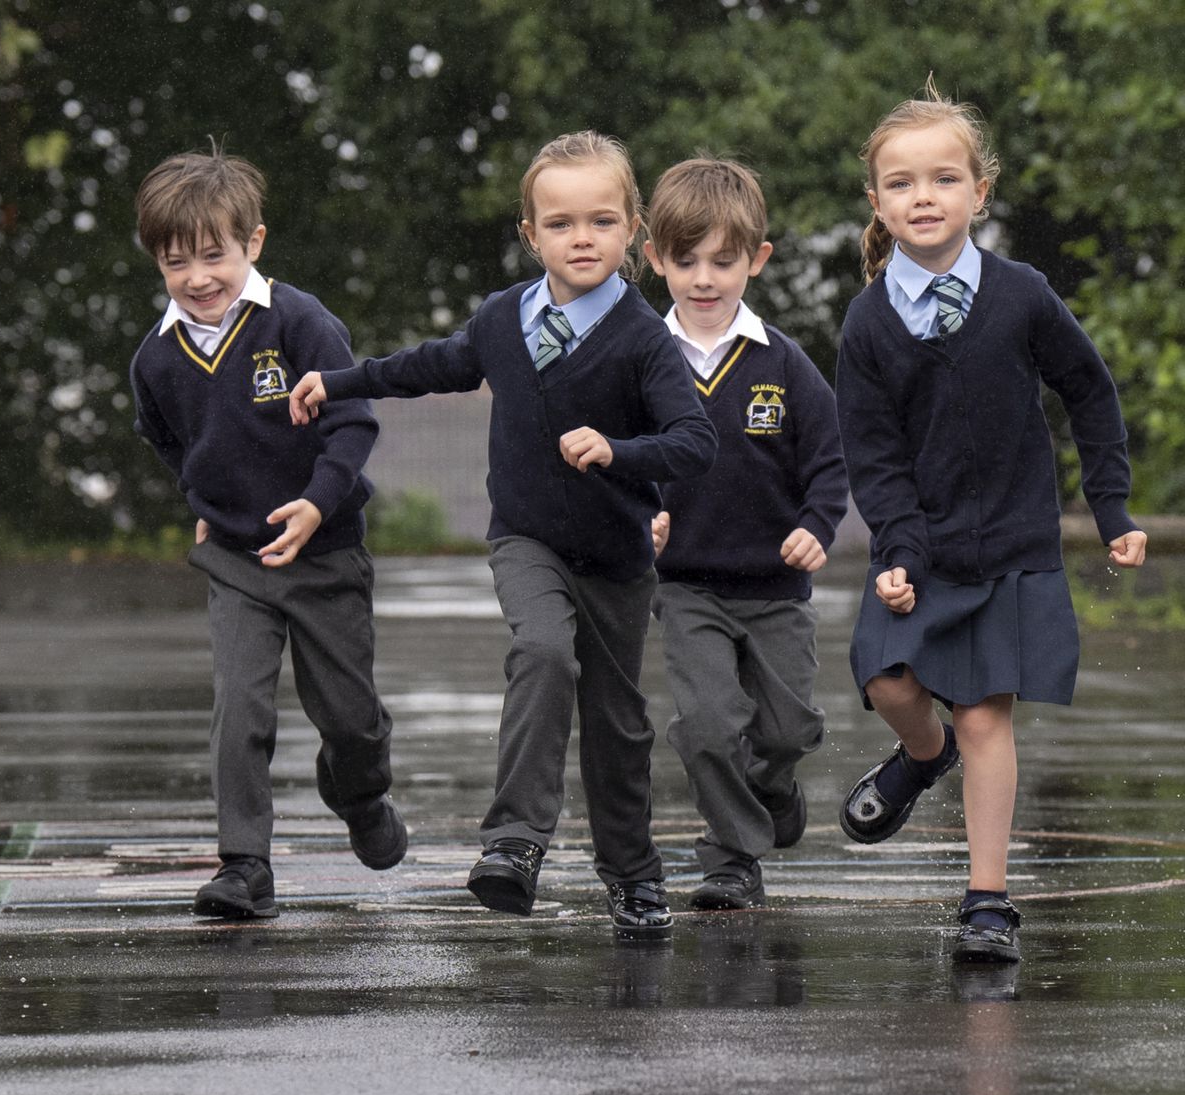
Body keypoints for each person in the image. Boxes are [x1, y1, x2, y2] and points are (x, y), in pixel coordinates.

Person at [290, 131, 717, 938]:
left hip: (619, 560)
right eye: (560, 224)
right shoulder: (502, 318)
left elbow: (695, 443)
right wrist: (338, 380)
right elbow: (428, 364)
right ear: (531, 234)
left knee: (617, 724)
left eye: (600, 221)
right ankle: (514, 844)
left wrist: (617, 452)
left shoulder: (644, 339)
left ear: (635, 234)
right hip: (526, 539)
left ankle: (632, 874)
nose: (580, 238)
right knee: (544, 653)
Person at [834, 82, 1147, 963]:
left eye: (942, 178)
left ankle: (986, 900)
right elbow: (874, 453)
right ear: (877, 202)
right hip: (920, 549)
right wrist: (895, 549)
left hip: (1011, 545)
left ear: (980, 190)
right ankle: (918, 758)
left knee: (985, 721)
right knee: (890, 683)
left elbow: (1089, 390)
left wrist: (1110, 504)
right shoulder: (865, 324)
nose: (922, 197)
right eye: (900, 183)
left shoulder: (1021, 296)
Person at [128, 146, 403, 920]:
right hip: (238, 560)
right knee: (239, 709)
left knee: (349, 720)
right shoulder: (155, 359)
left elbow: (353, 422)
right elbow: (168, 438)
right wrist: (202, 494)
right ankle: (244, 865)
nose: (197, 277)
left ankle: (361, 794)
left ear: (253, 242)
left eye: (213, 254)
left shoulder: (300, 322)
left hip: (327, 550)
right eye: (176, 262)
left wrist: (317, 502)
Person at [641, 156, 848, 911]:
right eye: (685, 260)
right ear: (656, 257)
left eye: (723, 261)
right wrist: (639, 516)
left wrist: (816, 526)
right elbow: (610, 463)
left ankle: (772, 792)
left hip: (775, 589)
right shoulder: (639, 363)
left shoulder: (785, 366)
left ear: (755, 260)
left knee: (790, 728)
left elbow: (830, 465)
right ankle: (731, 856)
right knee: (706, 725)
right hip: (688, 586)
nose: (703, 278)